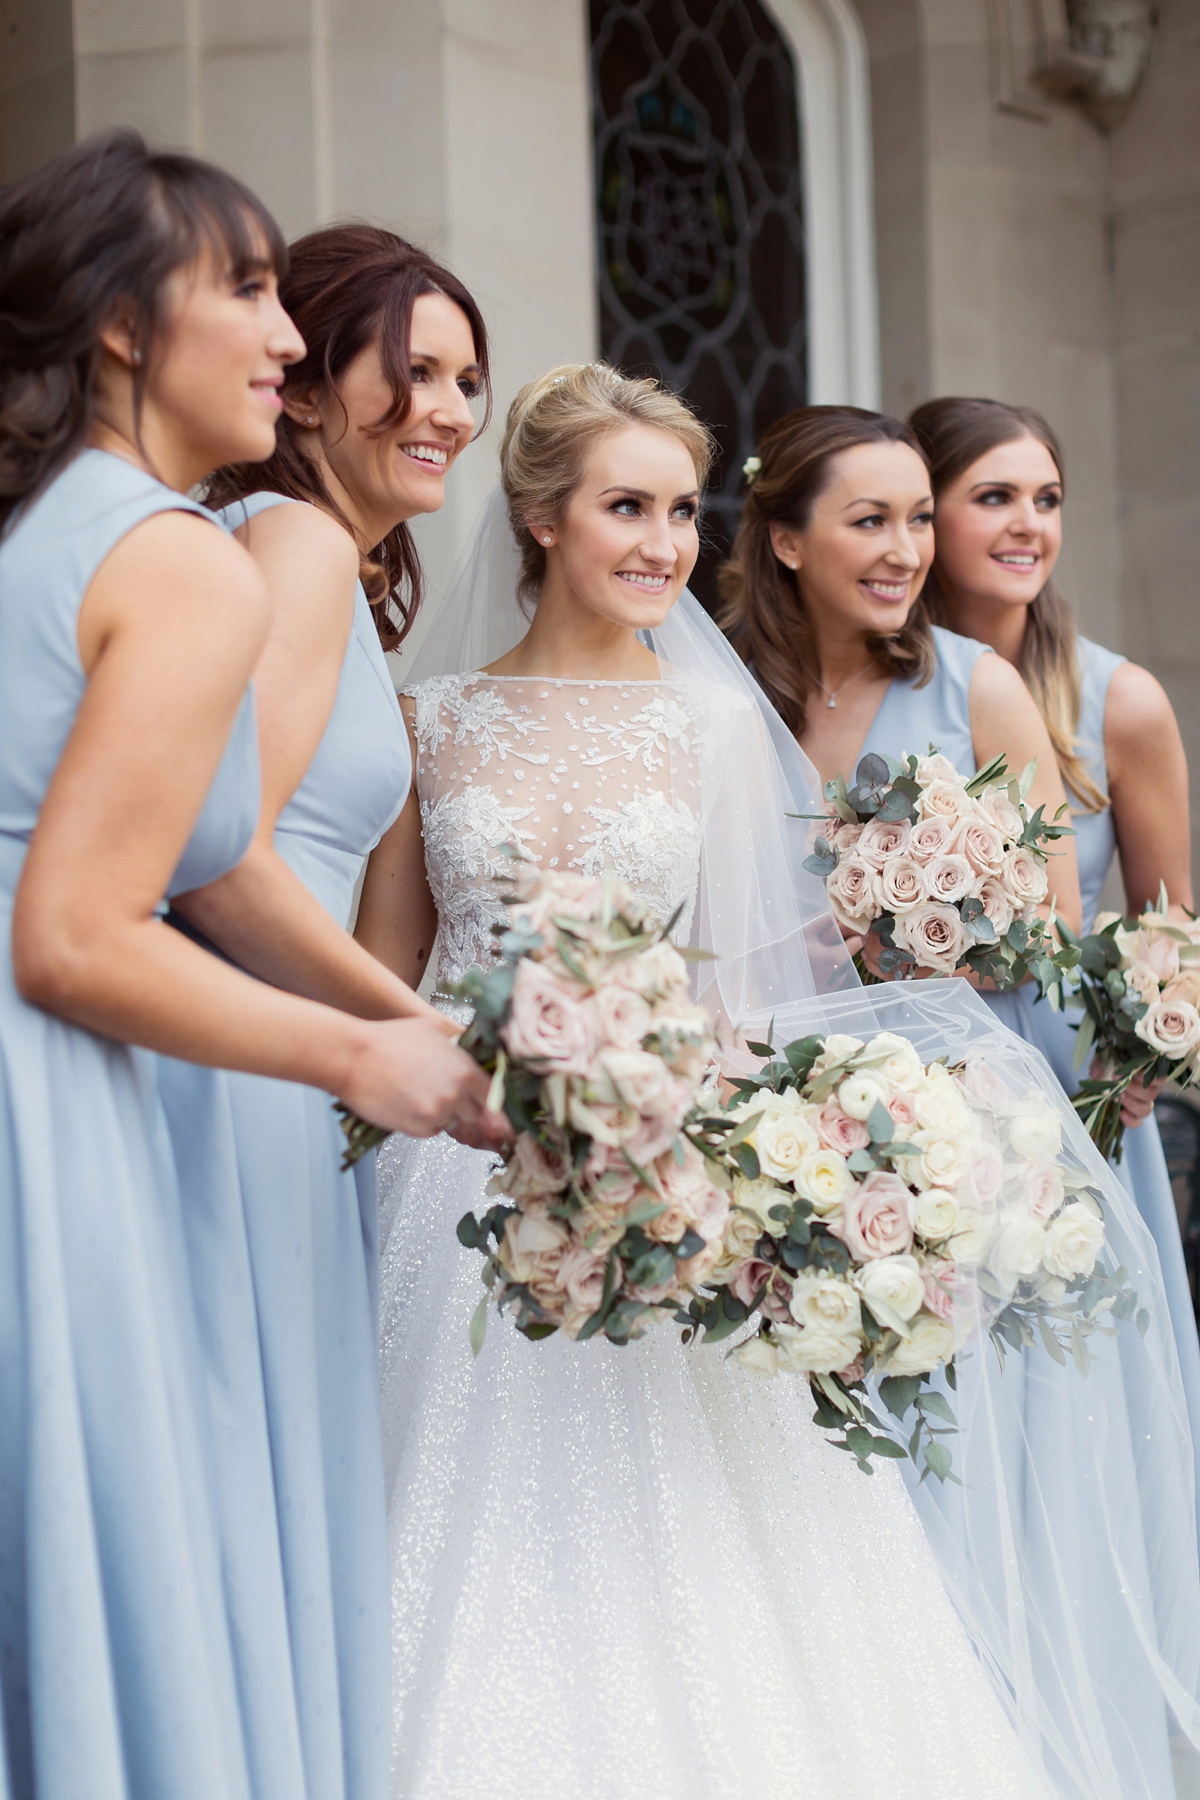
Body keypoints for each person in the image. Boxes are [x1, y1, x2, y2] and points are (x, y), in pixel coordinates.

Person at [356, 364, 1200, 1798]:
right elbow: (382, 977)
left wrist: (705, 1142)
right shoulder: (426, 720)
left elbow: (743, 995)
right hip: (448, 1183)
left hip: (658, 1167)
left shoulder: (714, 727)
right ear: (542, 517)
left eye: (683, 512)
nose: (663, 545)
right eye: (629, 507)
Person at [0, 130, 489, 1800]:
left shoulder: (67, 527)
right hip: (61, 1084)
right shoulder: (187, 557)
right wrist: (366, 1060)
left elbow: (206, 854)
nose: (283, 342)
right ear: (125, 326)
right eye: (252, 288)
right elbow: (77, 931)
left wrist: (420, 1018)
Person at [168, 224, 505, 1800]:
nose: (447, 407)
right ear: (305, 386)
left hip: (276, 1072)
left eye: (464, 380)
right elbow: (216, 851)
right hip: (233, 1062)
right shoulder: (291, 549)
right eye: (412, 371)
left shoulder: (342, 573)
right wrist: (426, 1038)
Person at [906, 394, 1200, 1505]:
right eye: (995, 498)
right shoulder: (871, 689)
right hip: (911, 1100)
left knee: (1072, 1425)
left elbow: (1170, 930)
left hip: (1067, 1104)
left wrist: (1135, 1062)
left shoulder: (1120, 702)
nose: (1029, 523)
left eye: (1048, 499)